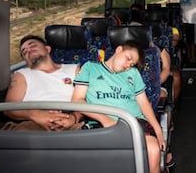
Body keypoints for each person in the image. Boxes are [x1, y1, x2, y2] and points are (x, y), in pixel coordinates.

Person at [71, 40, 165, 173]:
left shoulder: (133, 74)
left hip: (133, 122)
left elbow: (144, 103)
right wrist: (104, 118)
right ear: (119, 49)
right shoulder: (90, 68)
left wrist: (158, 130)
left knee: (153, 150)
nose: (128, 65)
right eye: (128, 58)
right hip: (99, 123)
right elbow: (77, 100)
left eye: (132, 64)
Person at [3, 35, 82, 131]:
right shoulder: (21, 75)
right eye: (24, 52)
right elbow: (9, 108)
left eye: (32, 45)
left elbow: (89, 99)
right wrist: (34, 114)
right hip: (33, 121)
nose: (28, 50)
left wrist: (74, 118)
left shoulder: (73, 69)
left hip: (69, 118)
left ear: (47, 49)